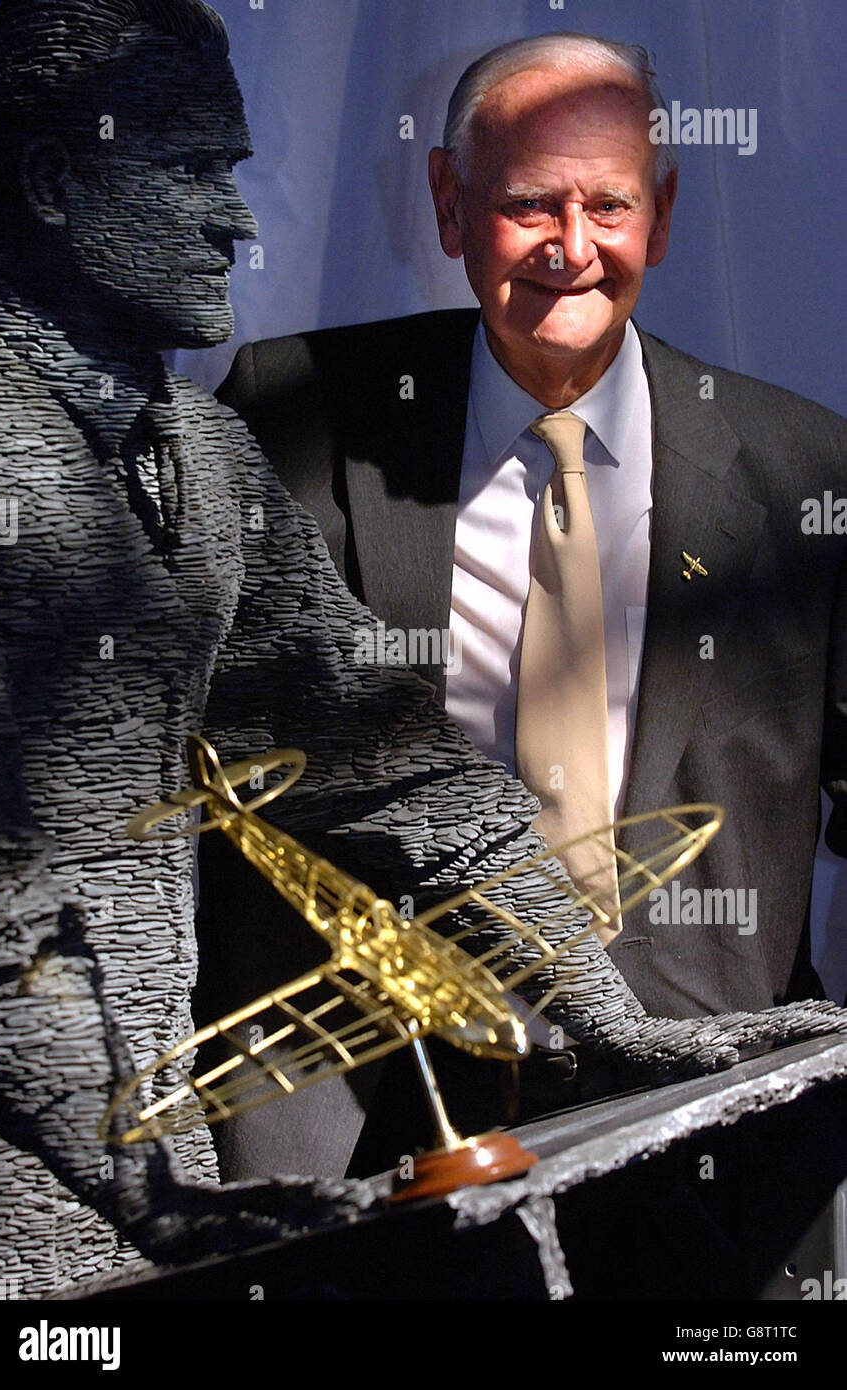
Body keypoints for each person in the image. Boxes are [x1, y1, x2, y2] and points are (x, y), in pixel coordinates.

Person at [218, 31, 847, 1021]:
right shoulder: (292, 410)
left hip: (710, 1110)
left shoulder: (806, 470)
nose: (570, 247)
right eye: (527, 205)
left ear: (663, 213)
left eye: (607, 205)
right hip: (388, 1109)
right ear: (446, 204)